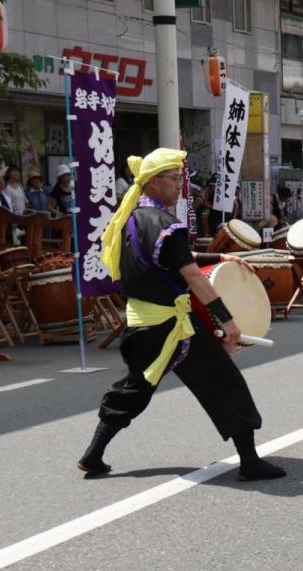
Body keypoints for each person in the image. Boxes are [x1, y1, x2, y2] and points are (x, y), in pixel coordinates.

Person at [77, 147, 285, 481]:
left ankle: (93, 454)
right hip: (172, 326)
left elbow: (177, 257)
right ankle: (250, 462)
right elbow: (190, 275)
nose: (180, 187)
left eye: (179, 179)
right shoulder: (165, 224)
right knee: (225, 382)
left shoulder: (132, 220)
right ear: (153, 182)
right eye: (174, 179)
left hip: (141, 326)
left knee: (134, 390)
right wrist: (227, 320)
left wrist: (220, 258)